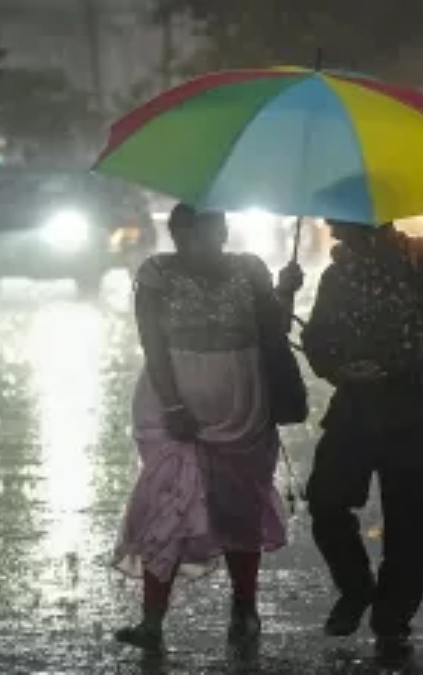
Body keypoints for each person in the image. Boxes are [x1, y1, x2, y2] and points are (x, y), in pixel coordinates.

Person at [112, 204, 304, 651]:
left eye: (212, 233)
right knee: (168, 504)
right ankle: (152, 622)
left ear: (224, 232)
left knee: (240, 507)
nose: (204, 243)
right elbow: (152, 344)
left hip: (244, 405)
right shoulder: (156, 275)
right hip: (172, 404)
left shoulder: (250, 269)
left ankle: (244, 610)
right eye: (192, 235)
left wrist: (285, 290)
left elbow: (272, 328)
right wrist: (174, 404)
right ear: (177, 235)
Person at [301, 221, 423, 666]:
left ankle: (392, 623)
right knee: (325, 500)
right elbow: (322, 340)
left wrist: (409, 372)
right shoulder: (338, 276)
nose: (331, 228)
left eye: (338, 223)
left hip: (419, 417)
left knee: (409, 523)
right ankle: (356, 588)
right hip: (356, 410)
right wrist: (341, 366)